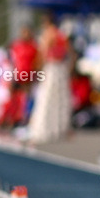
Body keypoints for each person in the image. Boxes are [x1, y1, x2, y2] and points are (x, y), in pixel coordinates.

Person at [27, 12, 71, 143]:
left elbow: (43, 53)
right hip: (61, 68)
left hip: (51, 68)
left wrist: (36, 70)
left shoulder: (48, 34)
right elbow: (68, 53)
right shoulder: (61, 35)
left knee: (46, 98)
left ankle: (43, 129)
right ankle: (59, 128)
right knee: (60, 99)